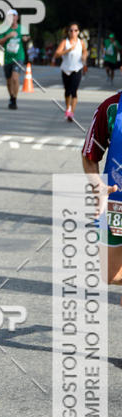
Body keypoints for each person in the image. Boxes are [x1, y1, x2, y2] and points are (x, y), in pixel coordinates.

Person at [82, 90, 122, 285]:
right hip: (115, 206)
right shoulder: (109, 108)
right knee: (109, 275)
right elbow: (89, 155)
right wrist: (98, 186)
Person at [52, 23, 88, 121]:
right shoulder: (65, 42)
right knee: (67, 91)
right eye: (71, 30)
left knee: (74, 91)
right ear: (68, 32)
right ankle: (68, 108)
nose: (73, 32)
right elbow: (57, 54)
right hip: (66, 69)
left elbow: (85, 51)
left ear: (78, 32)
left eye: (75, 30)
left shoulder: (81, 42)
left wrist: (84, 57)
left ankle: (71, 112)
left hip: (77, 69)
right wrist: (67, 50)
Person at [0, 9, 27, 110]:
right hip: (8, 58)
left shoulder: (22, 28)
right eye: (9, 17)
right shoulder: (4, 29)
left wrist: (25, 38)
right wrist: (8, 37)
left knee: (15, 78)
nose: (12, 18)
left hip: (19, 57)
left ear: (17, 17)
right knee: (9, 81)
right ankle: (11, 96)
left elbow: (27, 37)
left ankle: (14, 99)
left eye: (13, 16)